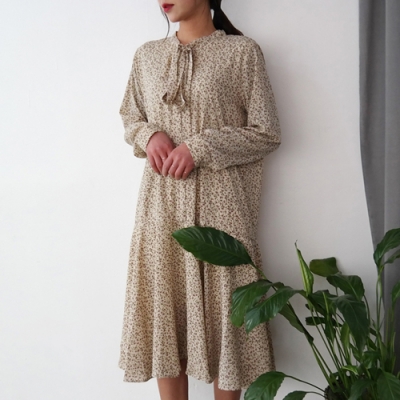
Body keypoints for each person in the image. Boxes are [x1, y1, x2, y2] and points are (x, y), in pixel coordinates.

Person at [118, 1, 282, 399]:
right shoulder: (147, 56)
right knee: (167, 315)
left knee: (228, 321)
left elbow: (267, 132)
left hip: (223, 213)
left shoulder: (242, 52)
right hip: (161, 211)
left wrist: (201, 147)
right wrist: (149, 136)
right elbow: (130, 116)